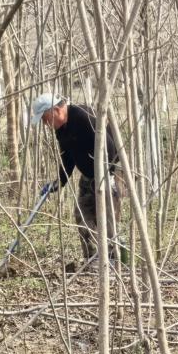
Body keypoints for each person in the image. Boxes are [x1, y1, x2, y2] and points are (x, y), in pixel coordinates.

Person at [31, 93, 124, 264]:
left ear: (56, 110)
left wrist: (105, 176)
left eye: (45, 119)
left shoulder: (83, 117)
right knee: (82, 216)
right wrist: (59, 181)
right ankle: (92, 260)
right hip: (88, 176)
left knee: (109, 220)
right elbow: (67, 157)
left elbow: (110, 147)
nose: (45, 124)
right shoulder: (61, 129)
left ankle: (114, 261)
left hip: (108, 174)